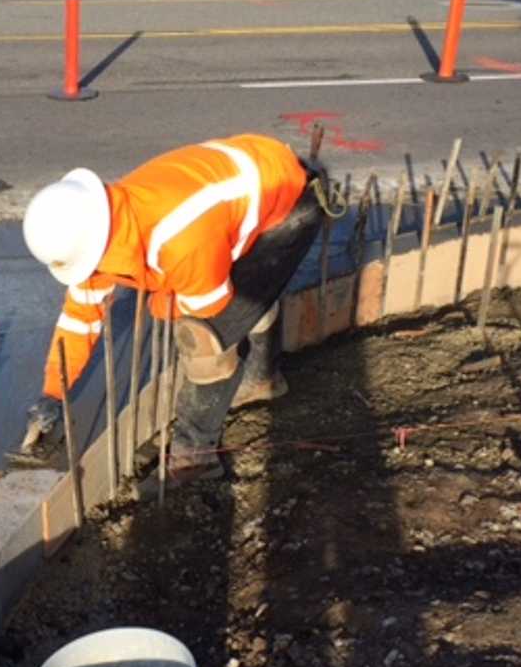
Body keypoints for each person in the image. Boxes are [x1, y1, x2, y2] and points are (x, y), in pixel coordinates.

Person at [17, 132, 324, 486]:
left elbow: (211, 306)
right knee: (245, 300)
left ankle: (194, 459)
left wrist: (161, 302)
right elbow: (80, 320)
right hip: (244, 193)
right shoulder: (104, 227)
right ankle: (262, 380)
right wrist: (52, 392)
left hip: (289, 205)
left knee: (205, 339)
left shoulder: (178, 238)